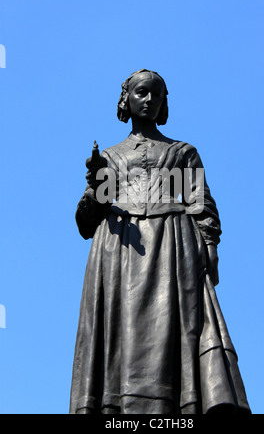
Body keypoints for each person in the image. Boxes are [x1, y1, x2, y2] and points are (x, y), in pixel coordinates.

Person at [69, 69, 251, 414]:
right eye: (142, 93)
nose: (150, 100)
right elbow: (85, 223)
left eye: (157, 94)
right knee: (121, 336)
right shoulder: (109, 157)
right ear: (127, 99)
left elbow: (201, 203)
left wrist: (210, 249)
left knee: (174, 334)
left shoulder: (182, 153)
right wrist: (96, 186)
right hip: (119, 249)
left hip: (173, 248)